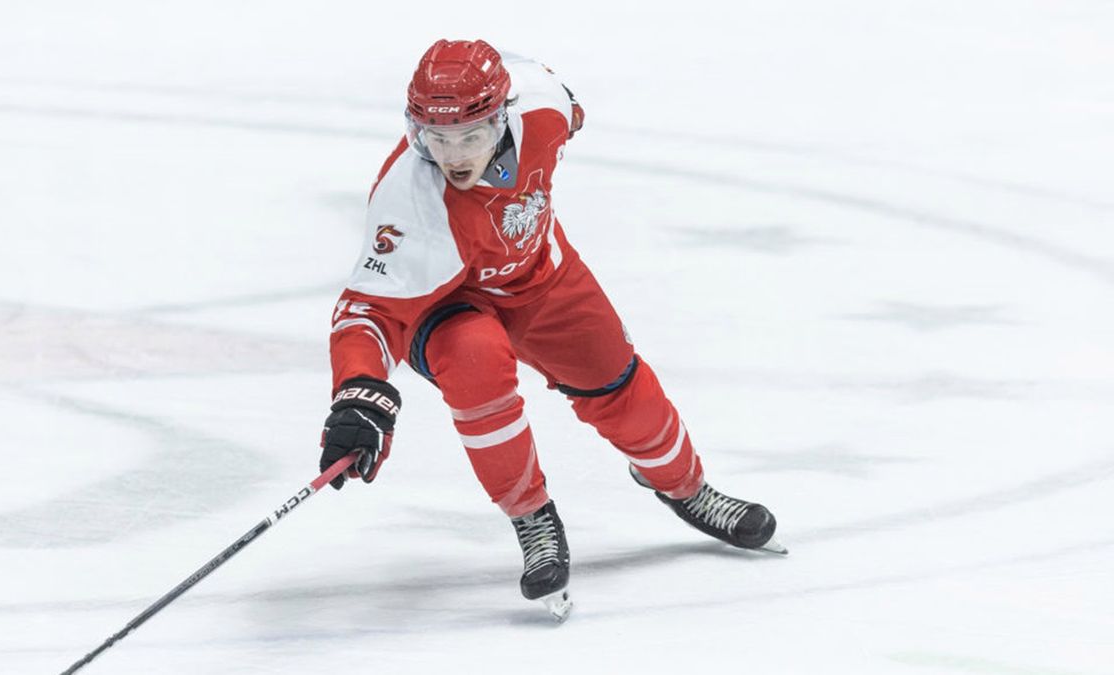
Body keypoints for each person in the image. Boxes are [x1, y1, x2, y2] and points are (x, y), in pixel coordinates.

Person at [319, 39, 784, 621]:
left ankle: (686, 488)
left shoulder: (543, 105)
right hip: (445, 304)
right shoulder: (407, 202)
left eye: (469, 136)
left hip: (540, 276)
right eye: (436, 137)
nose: (452, 155)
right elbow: (366, 311)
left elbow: (560, 99)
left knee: (621, 387)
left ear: (502, 117)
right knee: (475, 359)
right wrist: (358, 393)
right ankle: (531, 515)